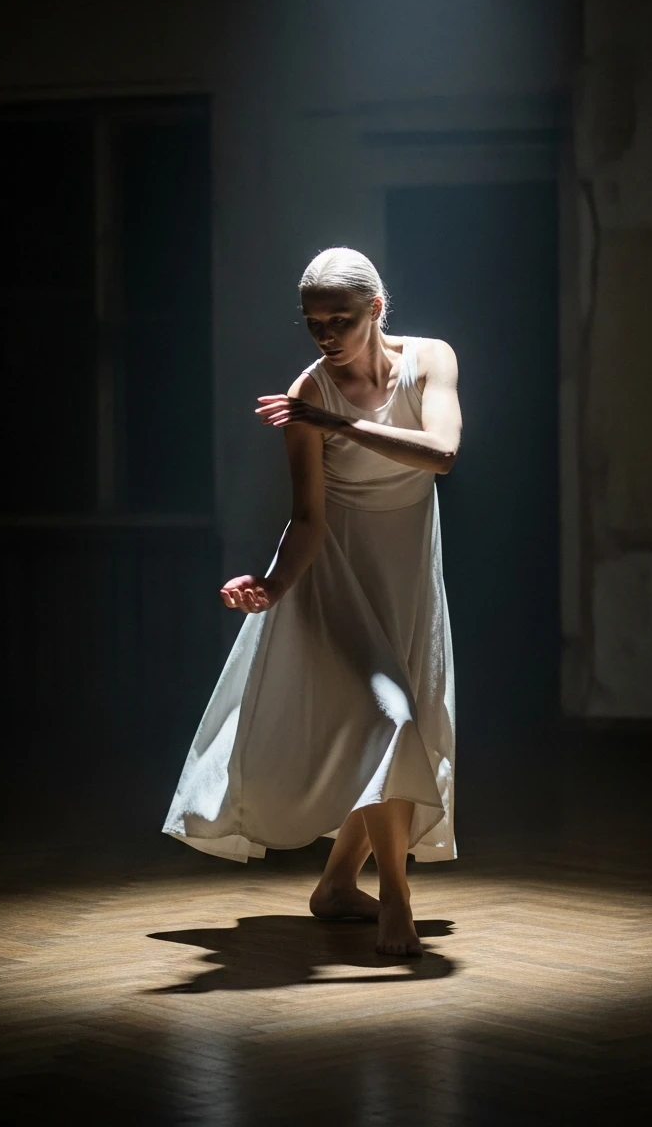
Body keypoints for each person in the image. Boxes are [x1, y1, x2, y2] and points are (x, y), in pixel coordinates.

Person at [163, 247, 461, 956]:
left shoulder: (431, 359)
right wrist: (271, 585)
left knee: (401, 726)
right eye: (313, 322)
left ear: (377, 309)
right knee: (391, 720)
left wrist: (341, 427)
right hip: (336, 579)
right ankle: (397, 899)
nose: (326, 335)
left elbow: (443, 453)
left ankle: (334, 887)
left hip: (408, 571)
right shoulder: (308, 397)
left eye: (341, 319)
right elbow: (307, 519)